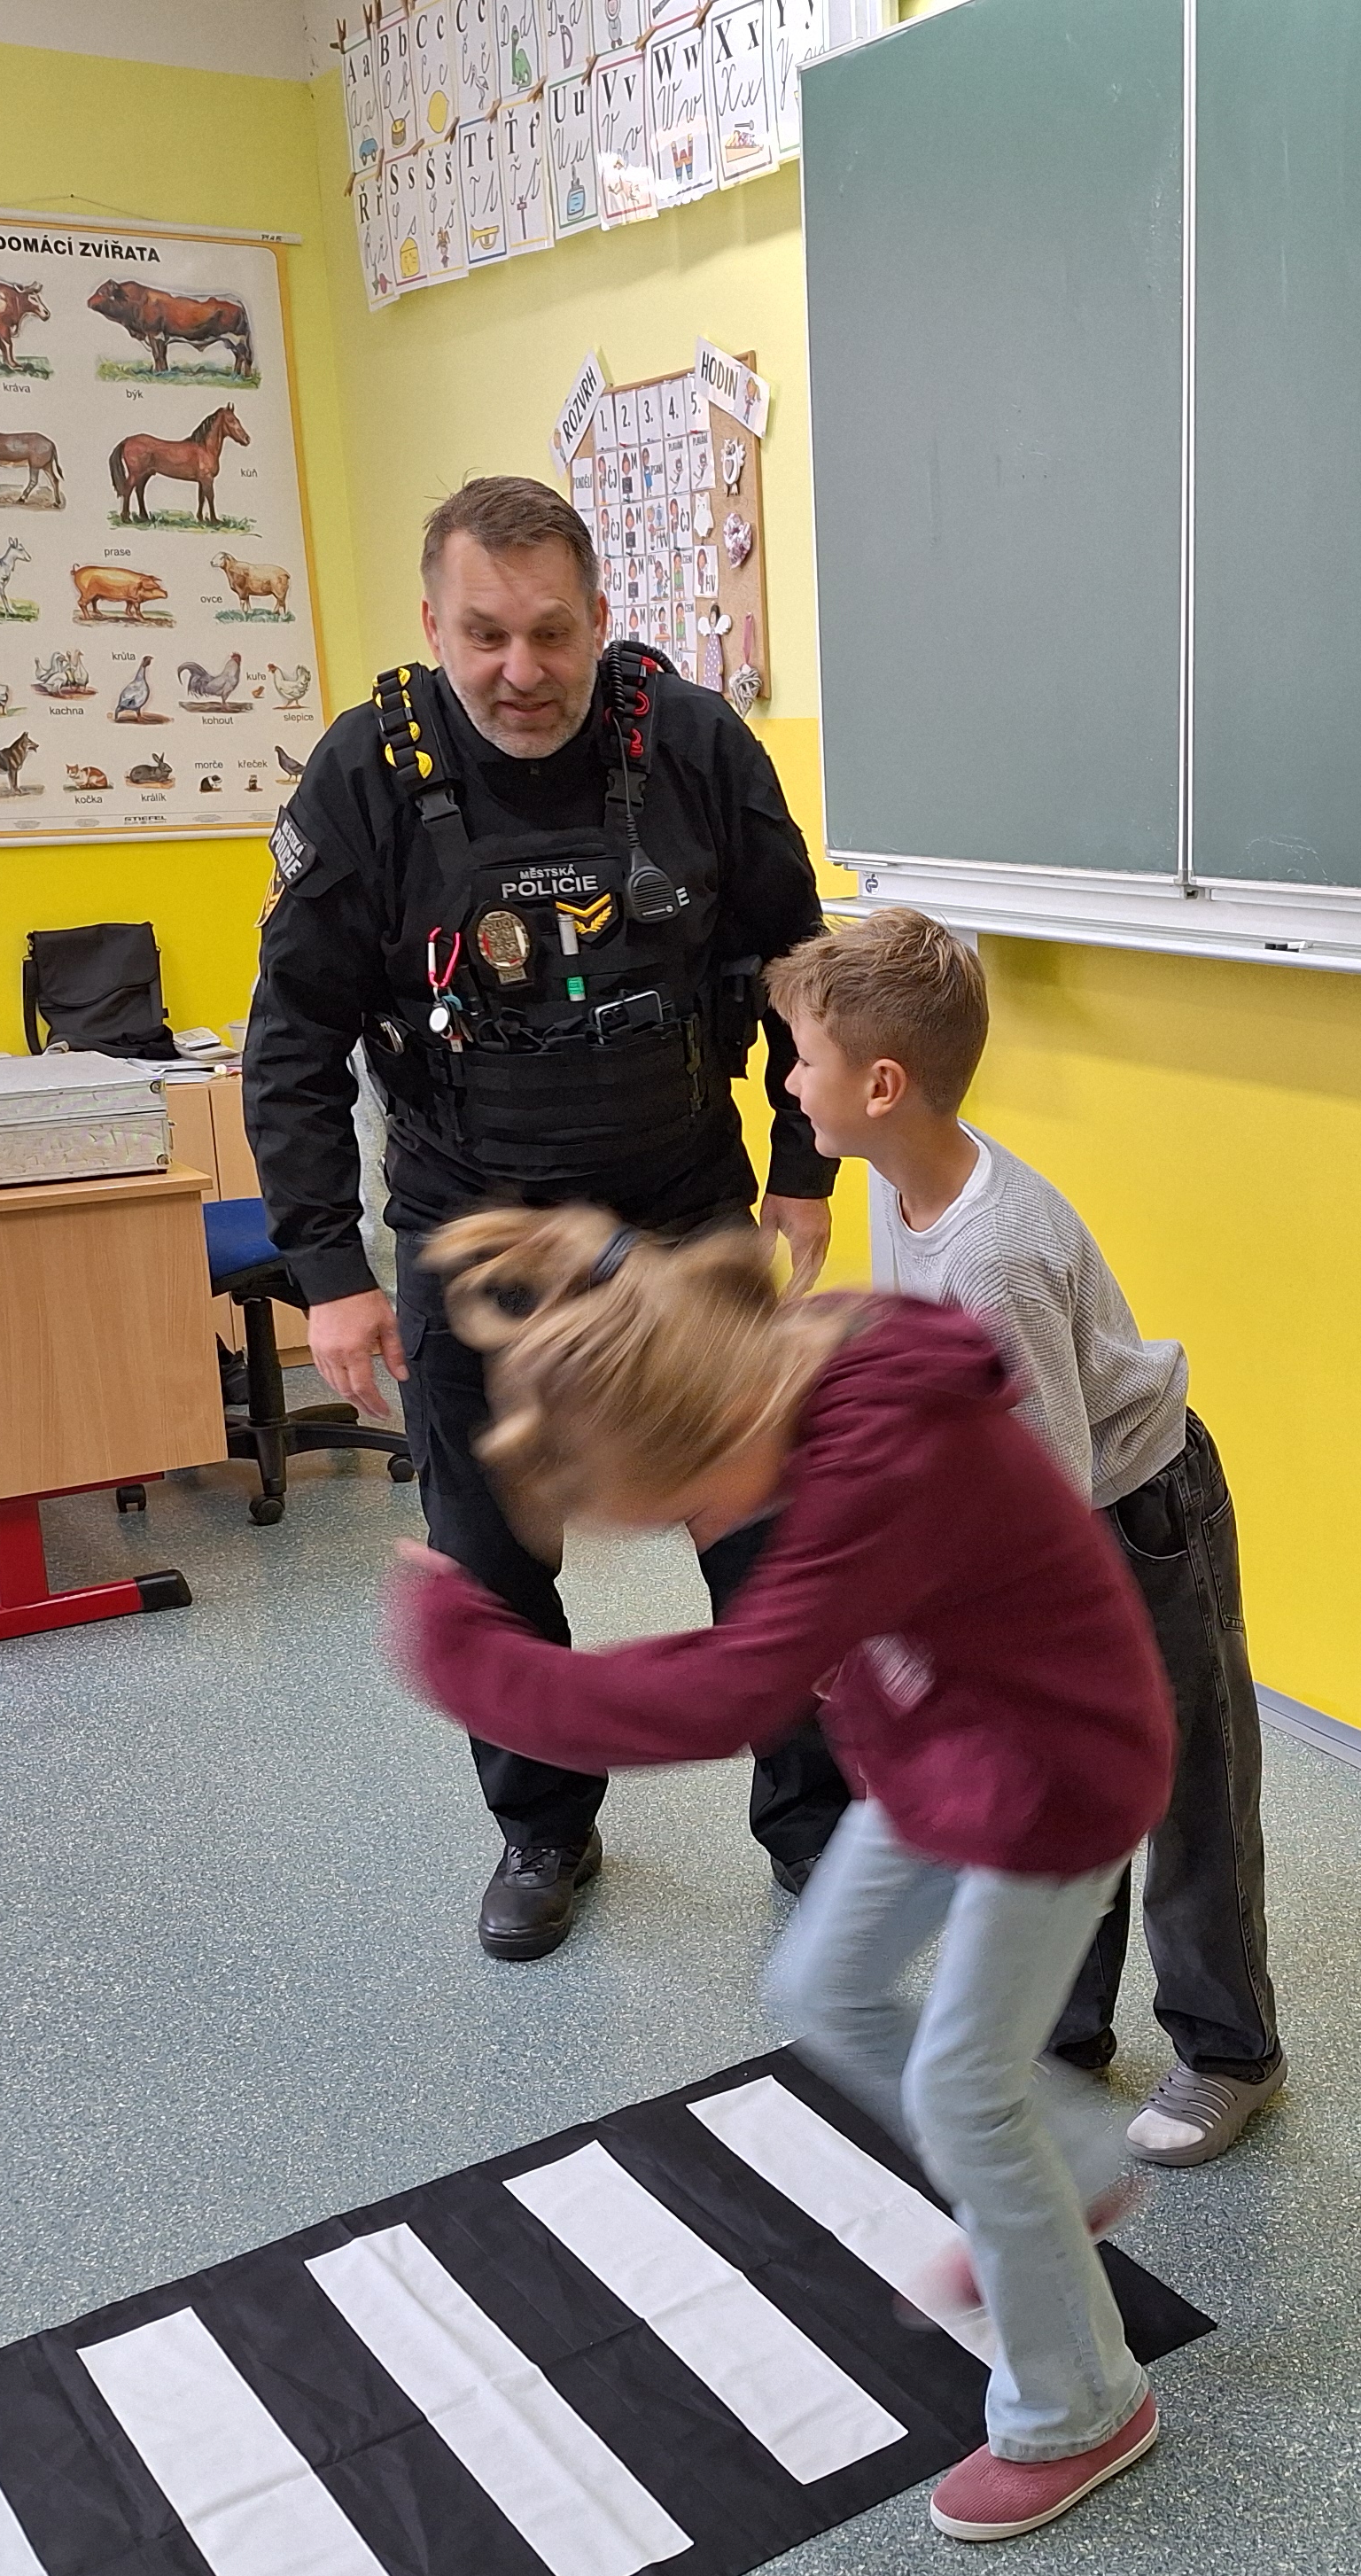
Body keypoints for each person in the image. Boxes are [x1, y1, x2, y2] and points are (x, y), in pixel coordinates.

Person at [387, 1206, 1173, 2540]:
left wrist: (473, 1662)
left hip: (1058, 1777)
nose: (707, 1530)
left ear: (719, 1429)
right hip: (942, 1743)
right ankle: (1065, 2164)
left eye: (689, 1507)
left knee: (962, 2092)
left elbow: (727, 1689)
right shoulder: (772, 1364)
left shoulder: (885, 1461)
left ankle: (1083, 2406)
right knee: (824, 1985)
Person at [245, 475, 849, 1959]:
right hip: (470, 1224)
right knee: (490, 1550)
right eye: (485, 635)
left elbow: (798, 964)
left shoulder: (693, 745)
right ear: (432, 623)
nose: (521, 670)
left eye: (551, 633)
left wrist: (805, 1165)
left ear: (599, 618)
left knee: (766, 1533)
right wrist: (329, 1267)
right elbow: (294, 1039)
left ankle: (817, 1833)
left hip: (681, 1205)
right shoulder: (365, 774)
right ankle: (541, 1828)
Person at [769, 908, 1286, 2170]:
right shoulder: (903, 1176)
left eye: (803, 1059)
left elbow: (1044, 1496)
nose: (786, 1081)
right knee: (1057, 1778)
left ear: (881, 1085)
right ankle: (1065, 2030)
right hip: (1043, 1514)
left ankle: (1231, 2053)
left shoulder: (993, 1256)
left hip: (1134, 1516)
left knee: (1180, 1783)